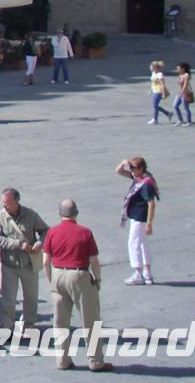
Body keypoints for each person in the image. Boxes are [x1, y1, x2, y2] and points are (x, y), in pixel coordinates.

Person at [41, 199, 112, 372]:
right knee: (90, 320)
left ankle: (62, 360)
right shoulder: (85, 232)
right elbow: (94, 261)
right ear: (76, 214)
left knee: (60, 321)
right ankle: (95, 361)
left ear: (60, 214)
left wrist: (52, 280)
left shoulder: (52, 232)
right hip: (79, 274)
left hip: (58, 273)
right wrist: (97, 279)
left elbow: (45, 261)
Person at [0, 187, 49, 332]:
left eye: (8, 203)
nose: (4, 206)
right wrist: (17, 244)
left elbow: (45, 231)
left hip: (28, 263)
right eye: (3, 203)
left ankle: (28, 325)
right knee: (8, 299)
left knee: (31, 297)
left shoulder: (30, 215)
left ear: (17, 202)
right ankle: (7, 327)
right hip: (9, 263)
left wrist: (39, 243)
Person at [116, 155, 159, 285]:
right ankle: (147, 273)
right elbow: (119, 171)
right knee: (142, 244)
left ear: (141, 169)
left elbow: (151, 204)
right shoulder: (139, 177)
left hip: (140, 217)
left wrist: (150, 223)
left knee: (133, 243)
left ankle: (138, 273)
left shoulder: (145, 184)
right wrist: (124, 163)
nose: (132, 171)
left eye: (134, 168)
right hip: (136, 216)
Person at [147, 61, 172, 125]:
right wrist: (150, 90)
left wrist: (163, 94)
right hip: (154, 90)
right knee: (155, 106)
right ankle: (168, 114)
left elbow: (163, 84)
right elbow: (153, 82)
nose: (150, 67)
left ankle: (155, 119)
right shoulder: (153, 73)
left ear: (155, 67)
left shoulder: (160, 74)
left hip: (159, 91)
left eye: (151, 66)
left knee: (155, 105)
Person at [176, 62, 195, 127]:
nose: (177, 70)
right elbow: (179, 83)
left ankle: (189, 122)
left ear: (183, 69)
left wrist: (182, 93)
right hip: (180, 93)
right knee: (175, 105)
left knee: (186, 108)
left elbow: (185, 85)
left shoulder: (186, 75)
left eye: (178, 68)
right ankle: (180, 120)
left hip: (185, 93)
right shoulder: (180, 75)